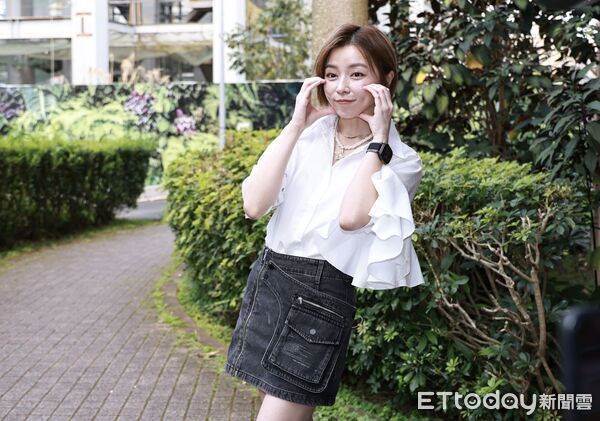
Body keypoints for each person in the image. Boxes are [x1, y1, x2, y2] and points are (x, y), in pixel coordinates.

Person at [223, 23, 425, 420]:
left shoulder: (401, 159)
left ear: (386, 79)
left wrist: (378, 144)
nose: (342, 87)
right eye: (332, 75)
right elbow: (254, 205)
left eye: (357, 74)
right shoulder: (308, 137)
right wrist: (296, 125)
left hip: (321, 298)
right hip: (270, 278)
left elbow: (351, 219)